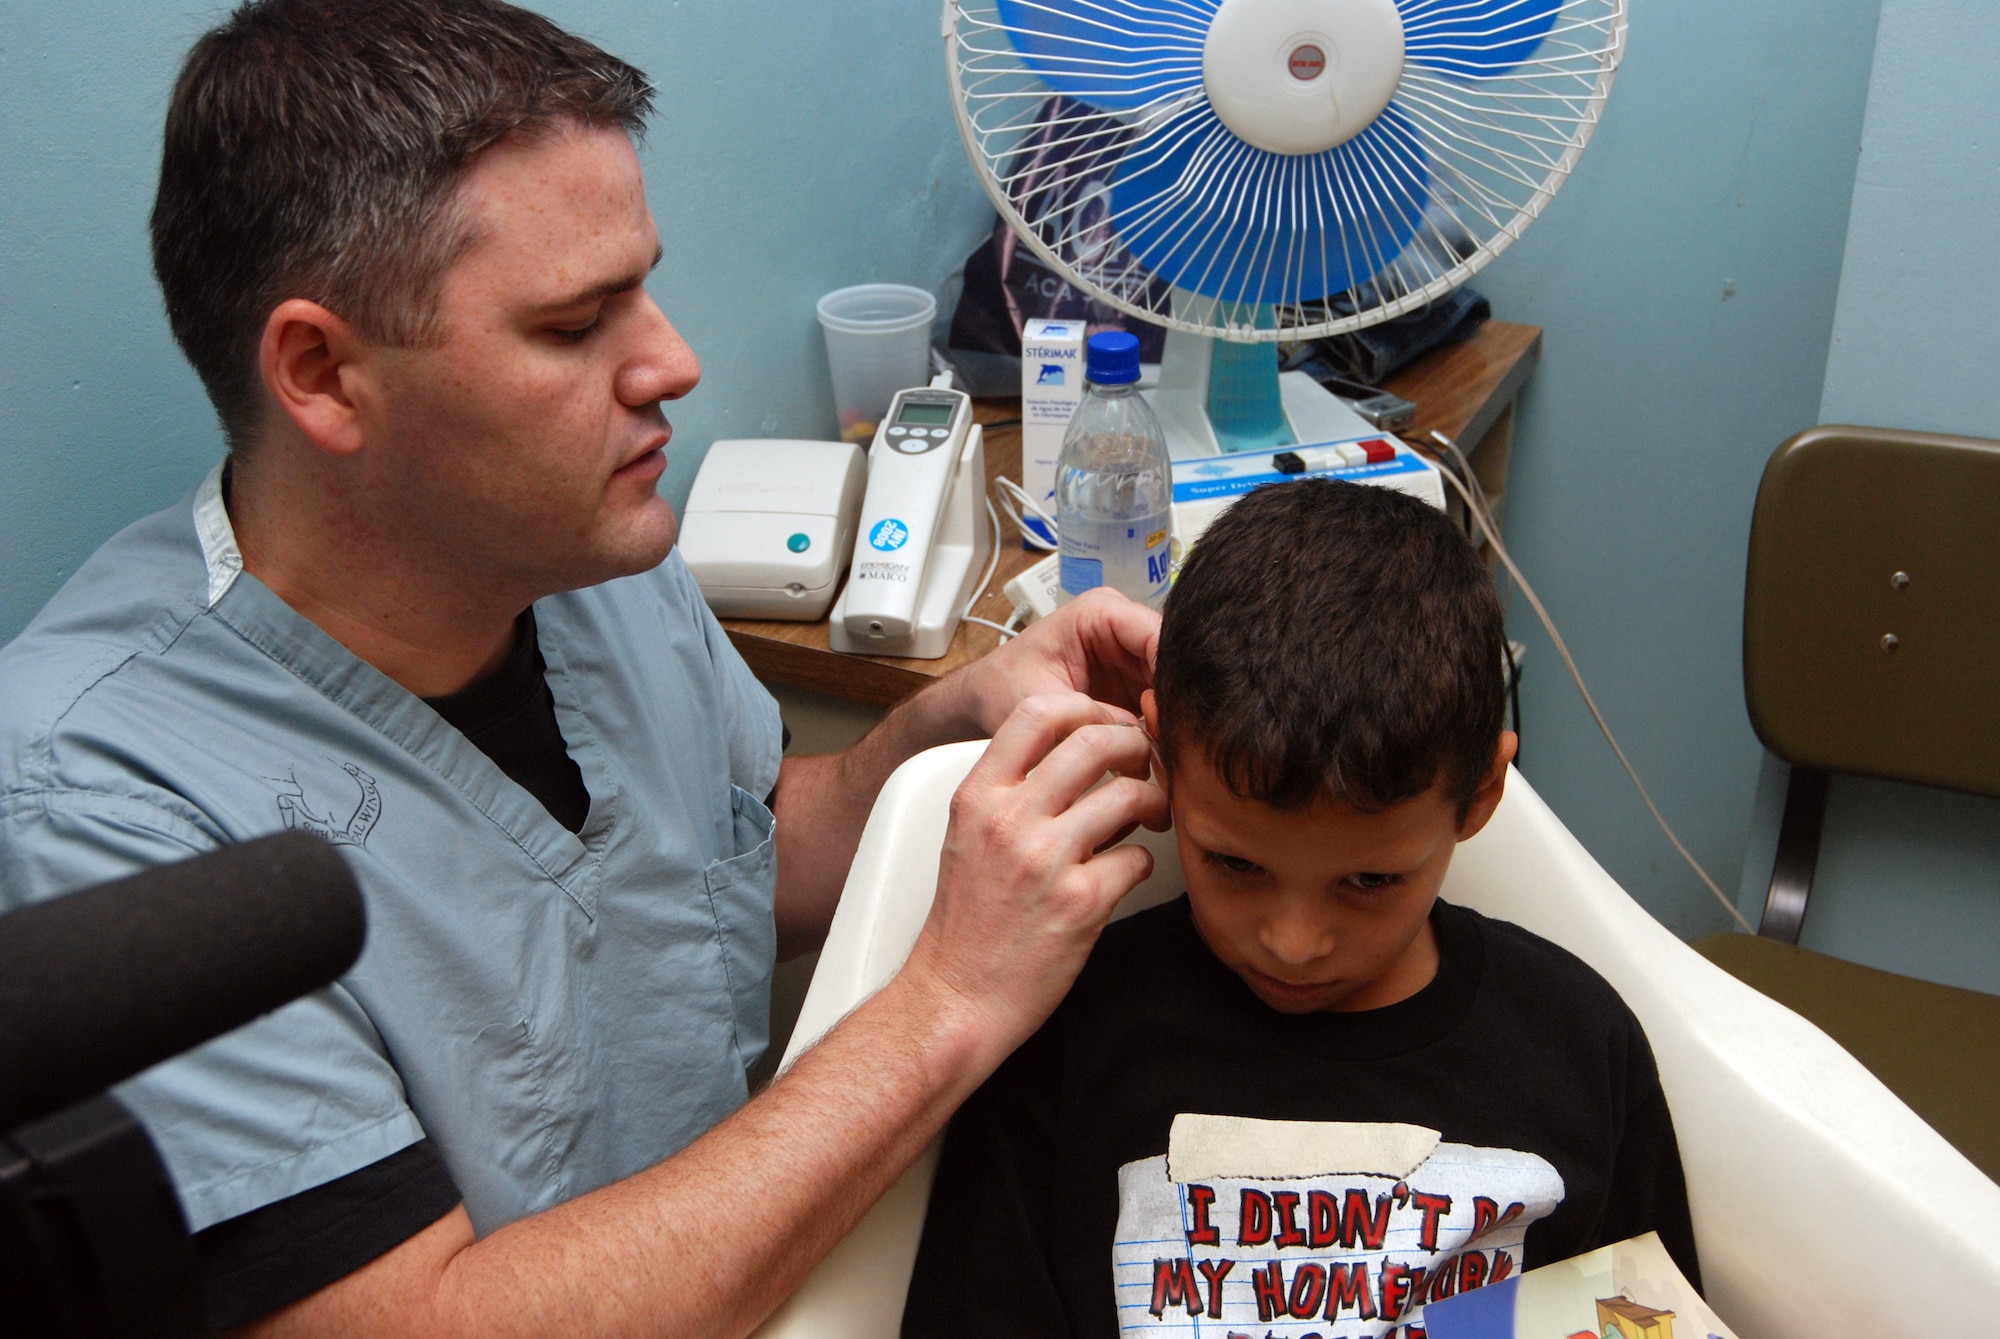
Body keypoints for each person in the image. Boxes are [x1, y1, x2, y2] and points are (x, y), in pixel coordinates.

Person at [0, 2, 1170, 1334]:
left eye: (645, 286)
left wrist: (938, 730)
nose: (671, 363)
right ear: (323, 372)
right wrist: (949, 1001)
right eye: (575, 325)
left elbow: (715, 865)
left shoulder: (581, 548)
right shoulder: (107, 806)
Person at [901, 479, 1699, 1339]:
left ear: (1481, 795)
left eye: (1369, 882)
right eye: (1234, 862)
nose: (1293, 942)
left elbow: (1645, 1315)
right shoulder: (1065, 1032)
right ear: (1162, 755)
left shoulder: (1577, 1043)